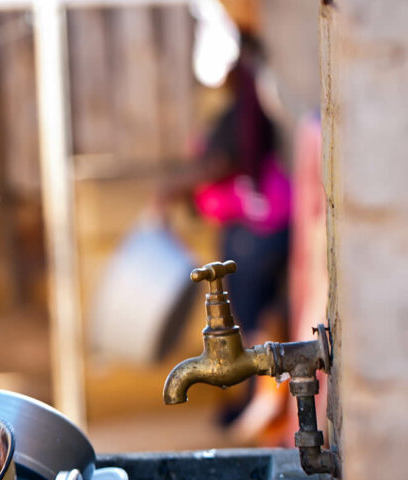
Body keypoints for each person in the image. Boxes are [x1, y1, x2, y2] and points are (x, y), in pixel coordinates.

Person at [157, 32, 292, 440]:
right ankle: (251, 402)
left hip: (257, 231)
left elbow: (222, 161)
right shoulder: (246, 106)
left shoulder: (247, 111)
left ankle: (257, 404)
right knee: (254, 316)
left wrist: (171, 189)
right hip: (255, 227)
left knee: (250, 318)